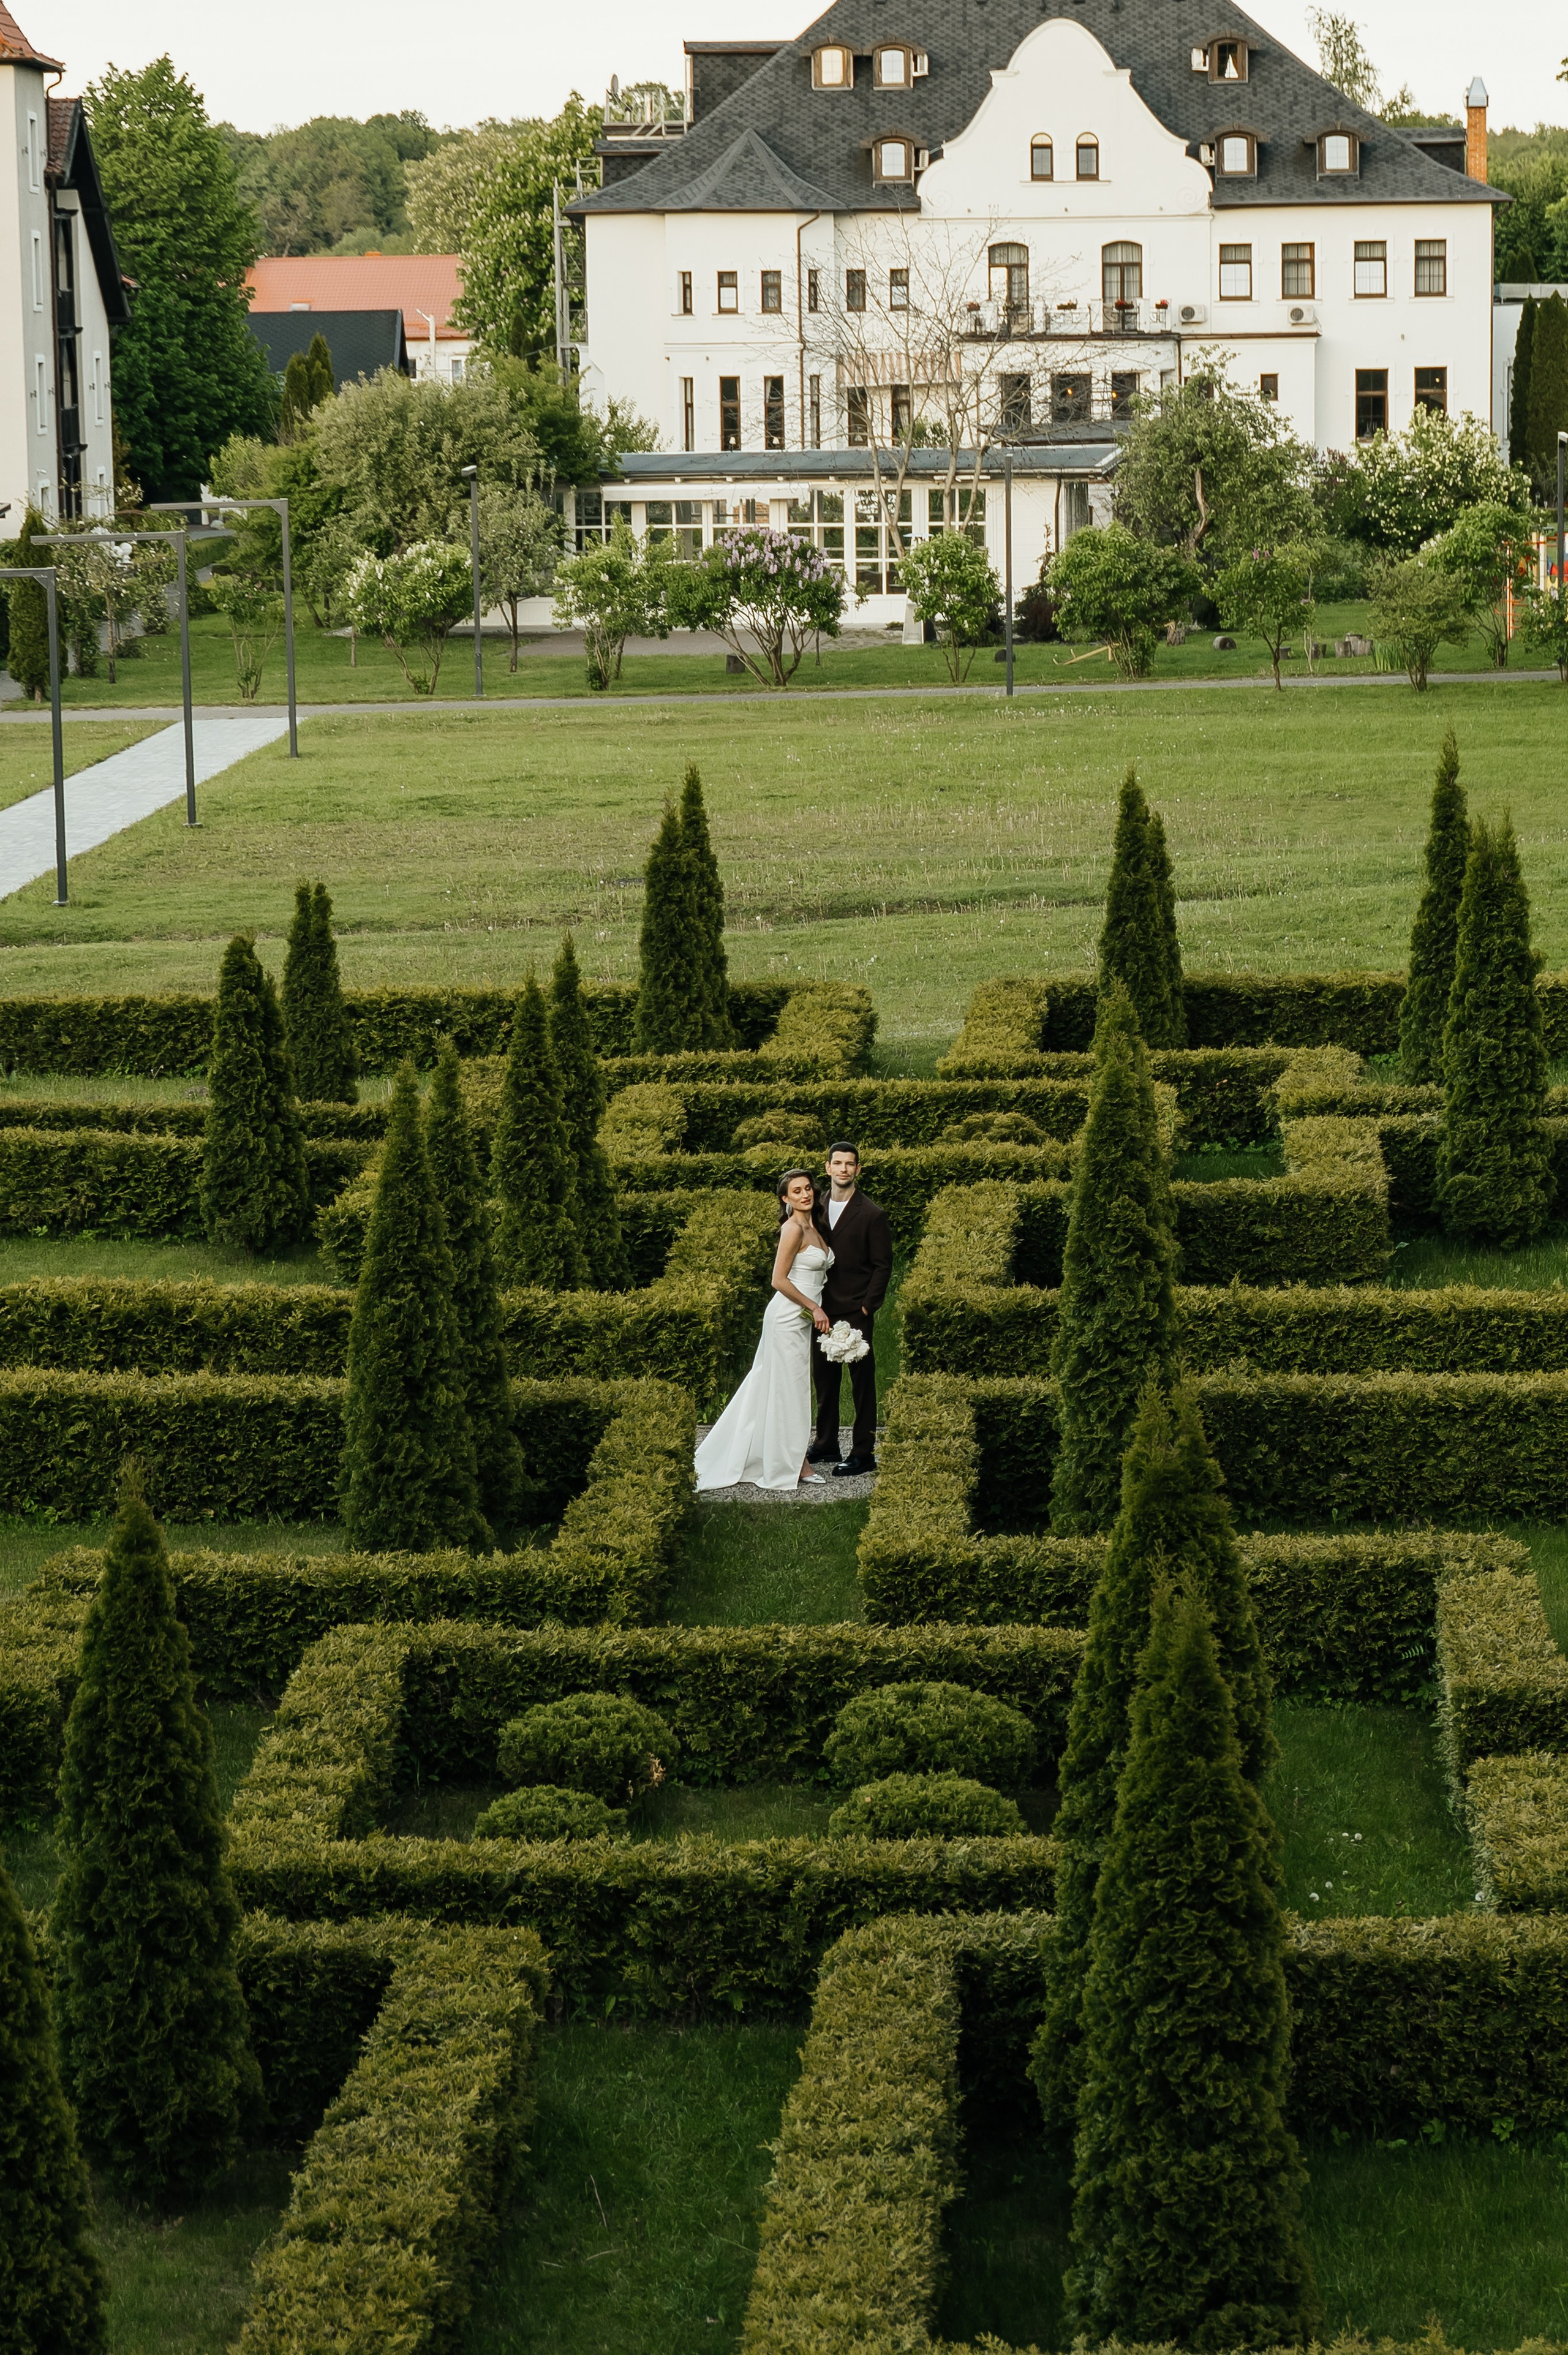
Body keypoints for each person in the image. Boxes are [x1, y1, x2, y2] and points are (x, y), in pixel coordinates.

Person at [693, 1167, 834, 1492]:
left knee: (781, 1387)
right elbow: (778, 1280)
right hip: (788, 1317)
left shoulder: (815, 1227)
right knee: (789, 1389)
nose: (805, 1194)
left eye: (808, 1188)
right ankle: (797, 1463)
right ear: (785, 1199)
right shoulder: (792, 1229)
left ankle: (776, 1452)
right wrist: (814, 1308)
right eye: (796, 1191)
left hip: (802, 1320)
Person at [808, 1139, 892, 1476]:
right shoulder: (815, 1207)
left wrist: (868, 1308)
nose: (843, 1169)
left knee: (862, 1385)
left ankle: (863, 1452)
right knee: (824, 1382)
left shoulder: (872, 1214)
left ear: (858, 1169)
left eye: (850, 1164)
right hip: (822, 1310)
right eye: (837, 1163)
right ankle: (826, 1444)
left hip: (857, 1311)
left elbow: (883, 1265)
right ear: (827, 1168)